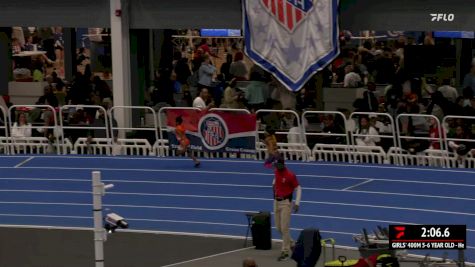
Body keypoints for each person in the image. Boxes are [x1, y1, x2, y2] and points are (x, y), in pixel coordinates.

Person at [272, 158, 301, 261]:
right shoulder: (276, 172)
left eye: (277, 165)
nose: (276, 167)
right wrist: (274, 189)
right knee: (278, 228)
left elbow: (298, 188)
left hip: (286, 203)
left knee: (284, 228)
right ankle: (292, 243)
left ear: (282, 165)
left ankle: (285, 252)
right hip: (276, 202)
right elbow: (275, 181)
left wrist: (297, 203)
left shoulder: (290, 175)